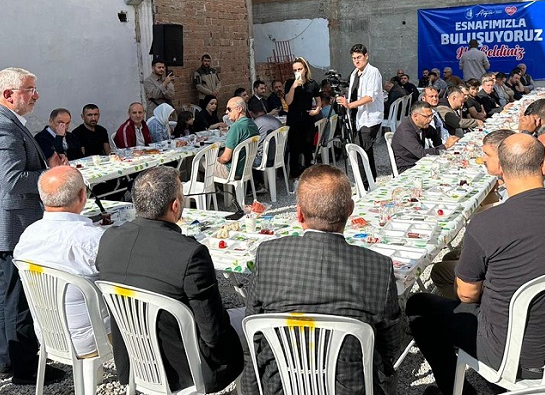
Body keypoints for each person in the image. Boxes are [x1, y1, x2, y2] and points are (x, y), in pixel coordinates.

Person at [407, 133, 545, 395]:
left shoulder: (487, 223)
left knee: (419, 306)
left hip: (513, 354)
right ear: (544, 166)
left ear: (501, 170)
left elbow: (467, 294)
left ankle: (460, 390)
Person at [242, 164, 401, 395]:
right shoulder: (378, 267)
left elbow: (252, 330)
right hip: (352, 389)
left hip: (280, 386)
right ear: (350, 210)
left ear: (299, 213)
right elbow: (391, 345)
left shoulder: (268, 255)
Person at [96, 166, 244, 392]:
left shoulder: (109, 239)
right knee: (253, 321)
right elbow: (213, 332)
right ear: (175, 206)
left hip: (134, 356)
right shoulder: (191, 253)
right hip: (184, 368)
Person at [0, 67, 66, 385]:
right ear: (8, 94)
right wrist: (51, 176)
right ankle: (24, 368)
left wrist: (45, 167)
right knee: (18, 297)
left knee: (8, 293)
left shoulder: (5, 121)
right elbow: (13, 180)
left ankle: (6, 360)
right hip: (12, 223)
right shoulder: (0, 125)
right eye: (30, 89)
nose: (36, 95)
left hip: (11, 220)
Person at [13, 166, 110, 357]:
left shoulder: (27, 235)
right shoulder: (93, 240)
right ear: (82, 195)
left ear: (42, 197)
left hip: (48, 335)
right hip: (94, 339)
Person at [430, 129, 515, 300]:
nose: (482, 159)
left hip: (498, 288)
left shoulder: (491, 219)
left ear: (502, 159)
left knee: (437, 272)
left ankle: (466, 310)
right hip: (512, 273)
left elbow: (468, 292)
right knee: (449, 256)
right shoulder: (522, 187)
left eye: (487, 154)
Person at [337, 44, 384, 180]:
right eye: (354, 58)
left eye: (359, 57)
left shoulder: (373, 72)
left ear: (366, 56)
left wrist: (350, 105)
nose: (356, 61)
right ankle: (371, 179)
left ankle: (365, 182)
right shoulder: (354, 74)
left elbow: (370, 97)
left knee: (362, 150)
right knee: (364, 150)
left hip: (370, 117)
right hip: (357, 117)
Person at [392, 101, 459, 173]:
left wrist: (441, 149)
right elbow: (421, 154)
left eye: (431, 116)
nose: (430, 119)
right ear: (415, 116)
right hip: (408, 167)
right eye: (427, 116)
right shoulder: (406, 131)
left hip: (419, 162)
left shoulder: (421, 124)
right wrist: (445, 146)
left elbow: (434, 134)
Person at [285, 57, 321, 178]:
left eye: (300, 69)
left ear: (305, 69)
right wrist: (293, 87)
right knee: (294, 148)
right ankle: (294, 173)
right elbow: (288, 101)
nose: (298, 72)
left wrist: (317, 110)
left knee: (308, 148)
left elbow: (318, 100)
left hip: (307, 119)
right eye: (295, 70)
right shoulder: (290, 83)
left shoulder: (312, 83)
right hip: (294, 119)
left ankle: (309, 174)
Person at [213, 97, 259, 179]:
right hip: (246, 168)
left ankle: (204, 187)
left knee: (199, 162)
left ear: (239, 109)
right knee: (220, 153)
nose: (226, 112)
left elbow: (225, 158)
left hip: (232, 171)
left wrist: (217, 160)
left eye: (229, 109)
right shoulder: (252, 123)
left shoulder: (236, 127)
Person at [249, 100, 283, 191]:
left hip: (263, 159)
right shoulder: (276, 120)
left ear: (251, 113)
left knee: (246, 159)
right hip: (279, 156)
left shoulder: (255, 124)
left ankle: (255, 186)